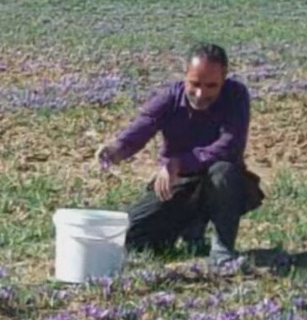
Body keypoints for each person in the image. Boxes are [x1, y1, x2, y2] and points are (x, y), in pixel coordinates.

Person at [96, 44, 264, 266]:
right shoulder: (170, 97)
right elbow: (143, 126)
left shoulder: (236, 95)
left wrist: (180, 162)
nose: (201, 93)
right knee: (128, 234)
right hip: (177, 182)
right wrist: (117, 149)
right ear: (185, 73)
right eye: (194, 84)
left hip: (219, 181)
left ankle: (223, 250)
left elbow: (229, 146)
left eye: (211, 85)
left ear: (224, 77)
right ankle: (188, 230)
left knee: (223, 171)